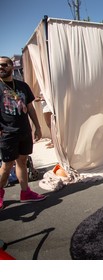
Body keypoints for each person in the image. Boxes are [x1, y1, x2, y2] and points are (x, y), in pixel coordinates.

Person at [0, 56, 46, 210]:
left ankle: (25, 193)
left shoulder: (22, 85)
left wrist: (37, 127)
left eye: (4, 64)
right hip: (6, 133)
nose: (1, 67)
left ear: (12, 66)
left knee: (22, 161)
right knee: (7, 165)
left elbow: (30, 107)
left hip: (24, 131)